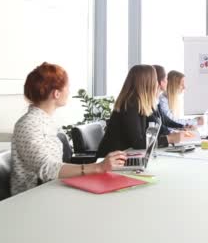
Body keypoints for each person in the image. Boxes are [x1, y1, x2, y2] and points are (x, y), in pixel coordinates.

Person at [11, 62, 125, 195]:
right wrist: (98, 167)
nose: (69, 91)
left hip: (52, 190)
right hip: (34, 197)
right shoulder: (28, 124)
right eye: (67, 87)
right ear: (56, 94)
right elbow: (47, 169)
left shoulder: (45, 121)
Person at [96, 65, 185, 157]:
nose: (156, 83)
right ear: (147, 83)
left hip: (125, 156)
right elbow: (138, 142)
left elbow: (156, 125)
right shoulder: (130, 104)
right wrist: (169, 139)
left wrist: (172, 134)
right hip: (109, 160)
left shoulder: (141, 103)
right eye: (154, 80)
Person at [152, 65, 202, 134]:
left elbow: (171, 122)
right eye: (181, 84)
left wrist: (185, 126)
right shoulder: (161, 101)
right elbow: (170, 121)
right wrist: (195, 122)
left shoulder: (173, 101)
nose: (184, 87)